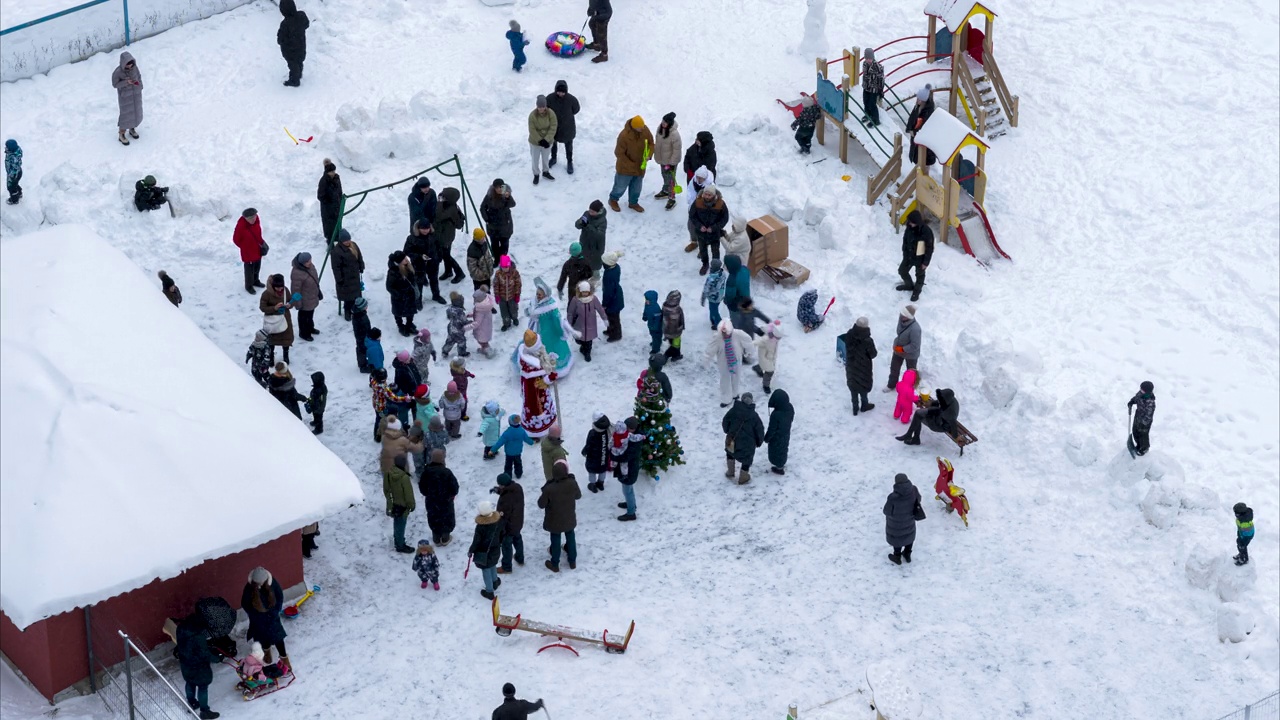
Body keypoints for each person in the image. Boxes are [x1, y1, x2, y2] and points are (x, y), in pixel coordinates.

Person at [524, 278, 579, 376]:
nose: (537, 296)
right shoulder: (535, 302)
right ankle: (537, 363)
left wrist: (560, 331)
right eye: (537, 293)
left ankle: (552, 367)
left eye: (539, 294)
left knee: (548, 348)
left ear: (545, 295)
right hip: (537, 329)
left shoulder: (551, 307)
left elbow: (557, 320)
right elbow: (530, 312)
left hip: (548, 332)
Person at [174, 613, 221, 719]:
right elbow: (205, 653)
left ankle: (191, 703)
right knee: (203, 687)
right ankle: (205, 711)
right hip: (199, 667)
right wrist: (217, 658)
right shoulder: (198, 637)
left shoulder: (180, 629)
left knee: (190, 683)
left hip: (185, 664)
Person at [539, 460, 581, 571]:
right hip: (569, 517)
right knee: (570, 536)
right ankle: (572, 561)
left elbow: (541, 504)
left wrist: (545, 488)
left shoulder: (550, 488)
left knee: (555, 538)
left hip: (554, 519)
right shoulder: (572, 483)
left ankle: (555, 564)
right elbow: (578, 496)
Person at [608, 117, 654, 212]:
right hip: (625, 168)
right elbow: (619, 153)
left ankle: (633, 203)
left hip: (640, 167)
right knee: (620, 186)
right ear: (634, 127)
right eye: (640, 127)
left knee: (636, 187)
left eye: (643, 126)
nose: (642, 128)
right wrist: (631, 165)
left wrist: (649, 155)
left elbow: (651, 144)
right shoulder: (624, 136)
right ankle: (613, 199)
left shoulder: (645, 130)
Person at [241, 567, 287, 662]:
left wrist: (275, 611)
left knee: (278, 637)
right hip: (258, 620)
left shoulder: (273, 583)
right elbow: (245, 604)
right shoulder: (249, 588)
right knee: (262, 637)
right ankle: (266, 652)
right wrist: (255, 615)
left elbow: (279, 597)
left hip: (272, 617)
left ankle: (284, 658)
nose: (260, 585)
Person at [722, 392, 765, 485]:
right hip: (748, 444)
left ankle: (730, 471)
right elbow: (760, 431)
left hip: (733, 439)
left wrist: (727, 431)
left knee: (730, 453)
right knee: (747, 460)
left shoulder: (733, 410)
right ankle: (743, 477)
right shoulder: (754, 416)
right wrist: (758, 442)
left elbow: (725, 421)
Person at [420, 448, 459, 546]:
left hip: (431, 501)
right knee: (446, 517)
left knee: (433, 517)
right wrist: (450, 495)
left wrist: (428, 494)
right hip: (446, 501)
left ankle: (436, 538)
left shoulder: (426, 472)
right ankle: (445, 538)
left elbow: (422, 487)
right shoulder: (447, 472)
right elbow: (455, 487)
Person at [688, 185, 730, 275]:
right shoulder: (697, 202)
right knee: (703, 250)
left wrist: (714, 227)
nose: (707, 196)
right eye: (705, 194)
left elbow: (725, 218)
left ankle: (716, 267)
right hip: (701, 233)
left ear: (714, 195)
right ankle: (705, 264)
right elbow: (692, 216)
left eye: (709, 195)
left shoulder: (720, 204)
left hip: (714, 233)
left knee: (715, 251)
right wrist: (699, 226)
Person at [884, 473, 924, 564]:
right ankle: (907, 554)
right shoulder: (914, 490)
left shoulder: (892, 497)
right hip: (909, 520)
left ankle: (897, 556)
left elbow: (886, 511)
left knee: (897, 539)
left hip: (895, 524)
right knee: (908, 536)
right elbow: (919, 499)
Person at [842, 316, 878, 415]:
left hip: (851, 366)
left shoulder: (849, 335)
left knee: (853, 387)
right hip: (863, 368)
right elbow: (873, 354)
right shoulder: (867, 340)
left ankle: (855, 408)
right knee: (863, 387)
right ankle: (864, 405)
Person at [469, 500, 504, 599]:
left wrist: (471, 550)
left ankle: (489, 591)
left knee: (486, 570)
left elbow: (476, 541)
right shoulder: (498, 522)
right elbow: (502, 534)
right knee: (493, 565)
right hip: (495, 550)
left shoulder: (481, 527)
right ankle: (495, 581)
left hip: (484, 553)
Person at [384, 454, 417, 553]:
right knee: (401, 524)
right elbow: (408, 494)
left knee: (397, 523)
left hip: (394, 504)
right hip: (403, 506)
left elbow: (386, 490)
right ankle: (400, 544)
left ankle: (397, 539)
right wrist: (412, 505)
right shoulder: (404, 478)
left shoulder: (388, 473)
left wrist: (390, 503)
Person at [260, 274, 297, 363]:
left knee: (286, 339)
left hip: (285, 319)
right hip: (272, 321)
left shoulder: (285, 291)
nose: (280, 289)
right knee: (272, 341)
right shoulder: (266, 294)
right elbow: (262, 307)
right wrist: (274, 308)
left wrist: (289, 304)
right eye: (277, 288)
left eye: (281, 287)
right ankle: (271, 356)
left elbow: (291, 300)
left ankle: (286, 355)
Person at [433, 187, 467, 284]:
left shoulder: (451, 208)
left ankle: (459, 273)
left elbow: (439, 216)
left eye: (444, 195)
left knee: (446, 255)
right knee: (445, 255)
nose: (442, 196)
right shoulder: (448, 204)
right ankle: (448, 271)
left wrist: (439, 201)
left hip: (446, 237)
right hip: (443, 234)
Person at [567, 281, 607, 362]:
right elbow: (570, 312)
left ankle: (587, 353)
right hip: (579, 325)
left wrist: (604, 318)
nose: (585, 294)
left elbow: (600, 309)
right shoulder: (576, 300)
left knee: (589, 341)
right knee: (579, 340)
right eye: (583, 292)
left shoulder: (593, 299)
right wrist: (569, 324)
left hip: (590, 325)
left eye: (586, 292)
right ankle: (582, 346)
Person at [493, 473, 526, 573]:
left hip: (508, 526)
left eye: (500, 485)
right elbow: (508, 492)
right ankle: (520, 558)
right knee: (517, 539)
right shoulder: (517, 488)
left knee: (506, 545)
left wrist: (499, 527)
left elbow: (503, 515)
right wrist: (499, 491)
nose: (499, 486)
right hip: (518, 522)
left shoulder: (506, 499)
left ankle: (506, 567)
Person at [898, 210, 933, 301]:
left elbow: (929, 248)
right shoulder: (909, 227)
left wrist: (925, 262)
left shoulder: (926, 231)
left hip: (920, 258)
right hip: (909, 256)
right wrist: (905, 253)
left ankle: (917, 291)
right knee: (902, 271)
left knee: (920, 276)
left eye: (912, 222)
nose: (910, 224)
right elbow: (905, 240)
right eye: (909, 222)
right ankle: (909, 285)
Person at [546, 80, 580, 173]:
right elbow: (545, 110)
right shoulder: (549, 98)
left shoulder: (571, 99)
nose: (560, 94)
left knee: (568, 146)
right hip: (554, 127)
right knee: (553, 144)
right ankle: (553, 158)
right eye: (559, 92)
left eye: (562, 92)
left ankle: (569, 162)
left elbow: (576, 109)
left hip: (567, 127)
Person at [885, 304, 921, 391]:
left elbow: (915, 345)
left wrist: (902, 349)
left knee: (911, 373)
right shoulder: (901, 319)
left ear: (909, 317)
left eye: (904, 316)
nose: (902, 317)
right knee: (894, 369)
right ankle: (891, 385)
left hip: (911, 354)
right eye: (902, 314)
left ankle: (910, 388)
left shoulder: (915, 329)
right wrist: (896, 344)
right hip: (898, 351)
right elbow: (899, 333)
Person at [331, 228, 365, 320]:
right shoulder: (337, 251)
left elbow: (359, 257)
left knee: (356, 295)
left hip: (355, 275)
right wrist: (339, 279)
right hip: (346, 278)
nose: (348, 242)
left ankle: (357, 309)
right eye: (345, 241)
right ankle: (347, 311)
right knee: (348, 298)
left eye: (348, 239)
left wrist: (361, 266)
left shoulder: (353, 245)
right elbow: (336, 267)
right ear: (341, 241)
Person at [111, 52, 144, 146]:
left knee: (135, 112)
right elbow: (115, 84)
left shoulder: (135, 68)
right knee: (125, 115)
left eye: (131, 64)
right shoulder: (118, 72)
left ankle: (132, 129)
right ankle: (121, 134)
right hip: (125, 97)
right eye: (127, 64)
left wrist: (140, 86)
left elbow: (139, 76)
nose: (130, 66)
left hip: (136, 94)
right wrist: (126, 82)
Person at [289, 252, 323, 341]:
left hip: (311, 296)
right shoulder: (297, 273)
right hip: (304, 300)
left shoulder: (310, 266)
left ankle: (310, 328)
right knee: (304, 317)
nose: (310, 262)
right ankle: (303, 333)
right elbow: (295, 290)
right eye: (307, 261)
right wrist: (298, 303)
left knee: (310, 315)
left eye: (310, 260)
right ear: (302, 263)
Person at [480, 180, 516, 261]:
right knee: (494, 245)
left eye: (501, 187)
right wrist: (486, 219)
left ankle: (503, 261)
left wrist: (508, 198)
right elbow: (483, 207)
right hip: (493, 225)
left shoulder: (506, 194)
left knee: (504, 245)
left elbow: (512, 204)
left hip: (505, 225)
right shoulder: (489, 196)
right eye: (497, 188)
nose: (499, 189)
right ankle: (496, 259)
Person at [653, 112, 682, 210]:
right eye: (662, 121)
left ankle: (672, 198)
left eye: (665, 122)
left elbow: (677, 150)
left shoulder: (674, 134)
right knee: (664, 175)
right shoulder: (660, 128)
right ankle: (665, 191)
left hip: (670, 162)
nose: (663, 123)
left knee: (671, 180)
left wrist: (672, 163)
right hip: (662, 159)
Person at [276, 0, 309, 86]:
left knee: (292, 64)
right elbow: (306, 24)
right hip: (301, 45)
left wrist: (281, 42)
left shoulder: (285, 24)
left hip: (290, 50)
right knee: (299, 61)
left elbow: (281, 38)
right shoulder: (301, 15)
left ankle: (294, 80)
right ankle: (299, 73)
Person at [493, 413, 535, 478]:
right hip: (518, 451)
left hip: (509, 453)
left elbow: (500, 442)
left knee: (508, 465)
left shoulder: (507, 433)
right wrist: (532, 442)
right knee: (518, 463)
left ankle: (508, 475)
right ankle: (519, 473)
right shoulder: (521, 431)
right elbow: (527, 439)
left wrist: (493, 450)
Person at [233, 208, 265, 294]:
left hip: (257, 250)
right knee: (249, 271)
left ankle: (256, 281)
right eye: (250, 218)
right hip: (248, 253)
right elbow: (236, 240)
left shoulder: (257, 222)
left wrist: (262, 243)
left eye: (254, 216)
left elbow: (258, 235)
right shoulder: (241, 226)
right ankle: (249, 286)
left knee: (257, 268)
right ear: (245, 218)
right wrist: (245, 247)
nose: (253, 219)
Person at [528, 95, 559, 184]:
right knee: (535, 159)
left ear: (545, 106)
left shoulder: (551, 113)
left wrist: (546, 139)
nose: (541, 109)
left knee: (545, 158)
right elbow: (532, 129)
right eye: (539, 107)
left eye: (543, 107)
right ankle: (536, 174)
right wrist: (540, 140)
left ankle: (546, 172)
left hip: (547, 141)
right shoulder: (532, 115)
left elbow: (553, 126)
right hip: (535, 142)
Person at [574, 201, 608, 277]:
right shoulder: (587, 214)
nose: (590, 212)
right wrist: (580, 223)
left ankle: (595, 278)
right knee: (583, 258)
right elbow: (577, 225)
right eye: (589, 210)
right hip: (585, 242)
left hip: (596, 247)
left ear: (598, 212)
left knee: (595, 264)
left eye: (592, 212)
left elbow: (599, 235)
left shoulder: (602, 221)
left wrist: (588, 226)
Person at [765, 389, 794, 475]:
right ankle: (780, 465)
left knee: (775, 450)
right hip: (785, 433)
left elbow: (772, 429)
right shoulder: (789, 408)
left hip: (776, 437)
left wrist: (767, 438)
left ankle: (779, 468)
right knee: (783, 448)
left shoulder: (775, 415)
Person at [906, 86, 937, 166]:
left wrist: (915, 132)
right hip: (916, 136)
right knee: (916, 154)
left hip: (923, 139)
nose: (917, 101)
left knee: (923, 156)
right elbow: (912, 118)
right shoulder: (918, 107)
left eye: (919, 99)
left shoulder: (927, 111)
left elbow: (924, 126)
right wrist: (909, 128)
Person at [581, 413, 612, 493]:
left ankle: (593, 485)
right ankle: (601, 483)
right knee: (602, 470)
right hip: (603, 456)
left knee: (592, 471)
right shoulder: (607, 431)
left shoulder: (592, 433)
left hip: (593, 458)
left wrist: (584, 452)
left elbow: (589, 445)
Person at [752, 319, 782, 393]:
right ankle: (766, 385)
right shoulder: (766, 339)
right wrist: (746, 346)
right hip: (765, 358)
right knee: (770, 372)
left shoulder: (773, 332)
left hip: (770, 357)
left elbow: (763, 328)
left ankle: (758, 368)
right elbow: (755, 343)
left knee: (765, 367)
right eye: (778, 338)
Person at [600, 251, 625, 342]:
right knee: (612, 317)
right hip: (616, 296)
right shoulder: (616, 267)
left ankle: (616, 334)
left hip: (613, 301)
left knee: (613, 318)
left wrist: (604, 304)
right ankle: (611, 330)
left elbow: (608, 292)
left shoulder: (608, 275)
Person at [1127, 380, 1156, 456]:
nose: (1140, 391)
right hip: (1138, 416)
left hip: (1145, 422)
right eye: (1140, 389)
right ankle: (1138, 445)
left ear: (1148, 392)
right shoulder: (1141, 394)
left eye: (1142, 390)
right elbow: (1136, 398)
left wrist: (1143, 423)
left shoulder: (1150, 403)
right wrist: (1131, 402)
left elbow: (1149, 415)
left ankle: (1144, 448)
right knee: (1135, 431)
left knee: (1143, 435)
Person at [494, 255, 522, 332]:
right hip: (502, 297)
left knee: (513, 309)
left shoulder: (515, 273)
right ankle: (506, 323)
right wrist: (497, 295)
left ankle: (514, 318)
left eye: (506, 267)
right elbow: (496, 285)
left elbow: (518, 284)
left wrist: (517, 294)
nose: (505, 269)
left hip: (512, 296)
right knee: (504, 311)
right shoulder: (498, 274)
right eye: (503, 267)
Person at [721, 254, 751, 324]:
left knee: (735, 320)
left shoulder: (732, 279)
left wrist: (726, 300)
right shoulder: (745, 269)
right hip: (746, 298)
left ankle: (737, 329)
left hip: (736, 305)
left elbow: (730, 295)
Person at [317, 159, 342, 241]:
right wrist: (329, 201)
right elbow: (320, 196)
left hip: (337, 206)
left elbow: (339, 190)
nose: (333, 173)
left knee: (337, 223)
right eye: (331, 171)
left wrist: (340, 199)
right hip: (327, 209)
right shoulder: (323, 181)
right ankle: (330, 240)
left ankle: (338, 238)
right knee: (329, 225)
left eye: (333, 171)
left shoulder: (337, 178)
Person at [861, 47, 885, 126]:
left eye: (870, 58)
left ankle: (875, 119)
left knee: (872, 104)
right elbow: (865, 75)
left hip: (874, 89)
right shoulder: (864, 64)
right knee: (865, 102)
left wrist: (881, 90)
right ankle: (868, 114)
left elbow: (881, 79)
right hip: (866, 87)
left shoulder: (877, 67)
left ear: (873, 57)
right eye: (867, 58)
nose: (868, 60)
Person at [701, 258, 727, 329]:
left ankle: (718, 323)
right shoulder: (723, 274)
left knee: (714, 310)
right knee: (713, 308)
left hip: (713, 298)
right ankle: (712, 319)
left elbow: (706, 290)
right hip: (720, 295)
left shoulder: (711, 278)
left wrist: (703, 299)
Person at [472, 289, 498, 357]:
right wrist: (472, 314)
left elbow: (477, 322)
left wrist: (466, 327)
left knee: (482, 342)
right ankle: (486, 349)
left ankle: (488, 351)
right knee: (484, 342)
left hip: (481, 329)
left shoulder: (480, 309)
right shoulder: (485, 306)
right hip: (485, 328)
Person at [661, 290, 685, 360]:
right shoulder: (678, 309)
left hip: (667, 331)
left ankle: (677, 355)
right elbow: (681, 319)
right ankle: (665, 357)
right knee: (675, 345)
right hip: (676, 332)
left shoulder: (664, 307)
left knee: (673, 343)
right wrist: (682, 326)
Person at [351, 298, 372, 372]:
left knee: (361, 349)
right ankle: (362, 366)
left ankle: (362, 363)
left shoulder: (359, 313)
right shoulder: (360, 316)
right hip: (362, 337)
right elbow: (363, 327)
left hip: (362, 336)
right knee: (361, 350)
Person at [642, 289, 663, 354]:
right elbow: (646, 311)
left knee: (656, 336)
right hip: (651, 324)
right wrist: (645, 316)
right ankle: (656, 342)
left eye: (647, 299)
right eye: (646, 299)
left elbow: (658, 320)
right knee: (653, 335)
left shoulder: (656, 309)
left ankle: (656, 349)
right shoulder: (647, 305)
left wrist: (655, 327)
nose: (646, 301)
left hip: (657, 327)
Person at [4, 139, 22, 205]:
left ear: (11, 149)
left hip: (14, 175)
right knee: (15, 184)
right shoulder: (14, 152)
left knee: (11, 187)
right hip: (17, 173)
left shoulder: (14, 157)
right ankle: (19, 193)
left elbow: (15, 168)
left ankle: (14, 200)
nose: (5, 148)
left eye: (7, 147)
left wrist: (11, 176)